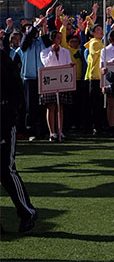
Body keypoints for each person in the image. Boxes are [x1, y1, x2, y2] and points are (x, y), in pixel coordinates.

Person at [1, 46, 37, 233]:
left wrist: (8, 115)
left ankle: (27, 212)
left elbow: (17, 94)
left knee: (6, 169)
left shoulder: (5, 61)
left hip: (3, 124)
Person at [39, 31, 74, 142]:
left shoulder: (65, 52)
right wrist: (52, 52)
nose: (59, 40)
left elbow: (68, 63)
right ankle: (52, 132)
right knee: (51, 107)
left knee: (60, 108)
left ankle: (60, 131)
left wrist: (71, 66)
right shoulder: (44, 52)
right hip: (51, 82)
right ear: (53, 39)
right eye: (58, 38)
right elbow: (46, 63)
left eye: (60, 38)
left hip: (62, 82)